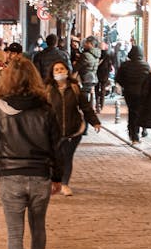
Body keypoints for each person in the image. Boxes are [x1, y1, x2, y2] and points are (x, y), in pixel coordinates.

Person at [0, 56, 62, 249]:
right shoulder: (46, 109)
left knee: (14, 233)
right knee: (38, 229)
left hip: (11, 177)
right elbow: (56, 147)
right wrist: (57, 177)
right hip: (39, 177)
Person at [46, 61, 100, 194]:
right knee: (53, 157)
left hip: (73, 130)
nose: (59, 71)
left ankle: (64, 183)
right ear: (52, 73)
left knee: (67, 157)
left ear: (67, 71)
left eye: (61, 69)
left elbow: (85, 107)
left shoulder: (75, 88)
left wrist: (95, 122)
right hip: (53, 131)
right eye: (56, 69)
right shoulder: (47, 89)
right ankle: (53, 182)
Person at [114, 45, 150, 143]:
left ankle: (133, 134)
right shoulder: (145, 66)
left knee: (132, 112)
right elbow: (149, 81)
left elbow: (118, 78)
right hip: (141, 94)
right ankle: (139, 132)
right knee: (140, 112)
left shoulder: (125, 65)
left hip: (129, 93)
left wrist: (126, 86)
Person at [74, 37, 101, 109]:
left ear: (91, 44)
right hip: (93, 77)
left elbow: (77, 66)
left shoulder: (86, 55)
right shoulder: (96, 54)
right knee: (90, 95)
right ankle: (91, 109)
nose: (85, 44)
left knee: (84, 97)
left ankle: (87, 111)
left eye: (87, 43)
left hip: (85, 78)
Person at [95, 42, 113, 110]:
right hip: (104, 75)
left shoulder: (96, 54)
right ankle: (101, 104)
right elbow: (110, 66)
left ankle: (97, 103)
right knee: (103, 89)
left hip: (97, 73)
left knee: (96, 89)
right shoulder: (108, 55)